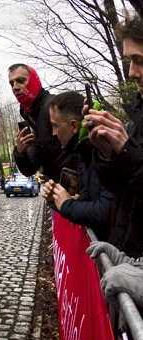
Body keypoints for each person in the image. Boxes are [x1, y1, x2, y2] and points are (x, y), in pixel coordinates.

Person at [84, 12, 143, 255]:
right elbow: (118, 190)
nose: (132, 72)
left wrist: (127, 152)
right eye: (129, 61)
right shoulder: (135, 121)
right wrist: (107, 153)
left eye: (139, 60)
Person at [40, 91, 114, 238]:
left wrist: (67, 205)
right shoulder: (85, 151)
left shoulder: (104, 148)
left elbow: (107, 211)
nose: (53, 133)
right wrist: (59, 199)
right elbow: (91, 197)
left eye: (55, 125)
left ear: (74, 126)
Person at [9, 64, 80, 182]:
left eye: (21, 81)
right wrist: (20, 153)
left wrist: (72, 188)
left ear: (33, 81)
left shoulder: (54, 107)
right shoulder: (31, 116)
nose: (15, 87)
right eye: (12, 83)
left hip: (74, 192)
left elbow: (77, 151)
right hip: (57, 191)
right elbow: (29, 169)